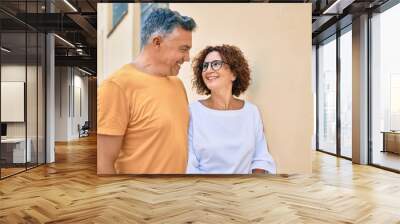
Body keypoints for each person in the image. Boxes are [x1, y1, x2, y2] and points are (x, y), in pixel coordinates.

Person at [97, 8, 196, 174]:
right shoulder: (116, 87)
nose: (187, 58)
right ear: (157, 42)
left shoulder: (177, 85)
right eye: (183, 49)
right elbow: (103, 164)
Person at [187, 45, 276, 174]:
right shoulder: (192, 112)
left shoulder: (251, 112)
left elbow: (261, 158)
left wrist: (253, 188)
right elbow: (189, 165)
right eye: (205, 66)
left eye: (216, 64)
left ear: (234, 73)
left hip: (244, 191)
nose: (208, 70)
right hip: (204, 191)